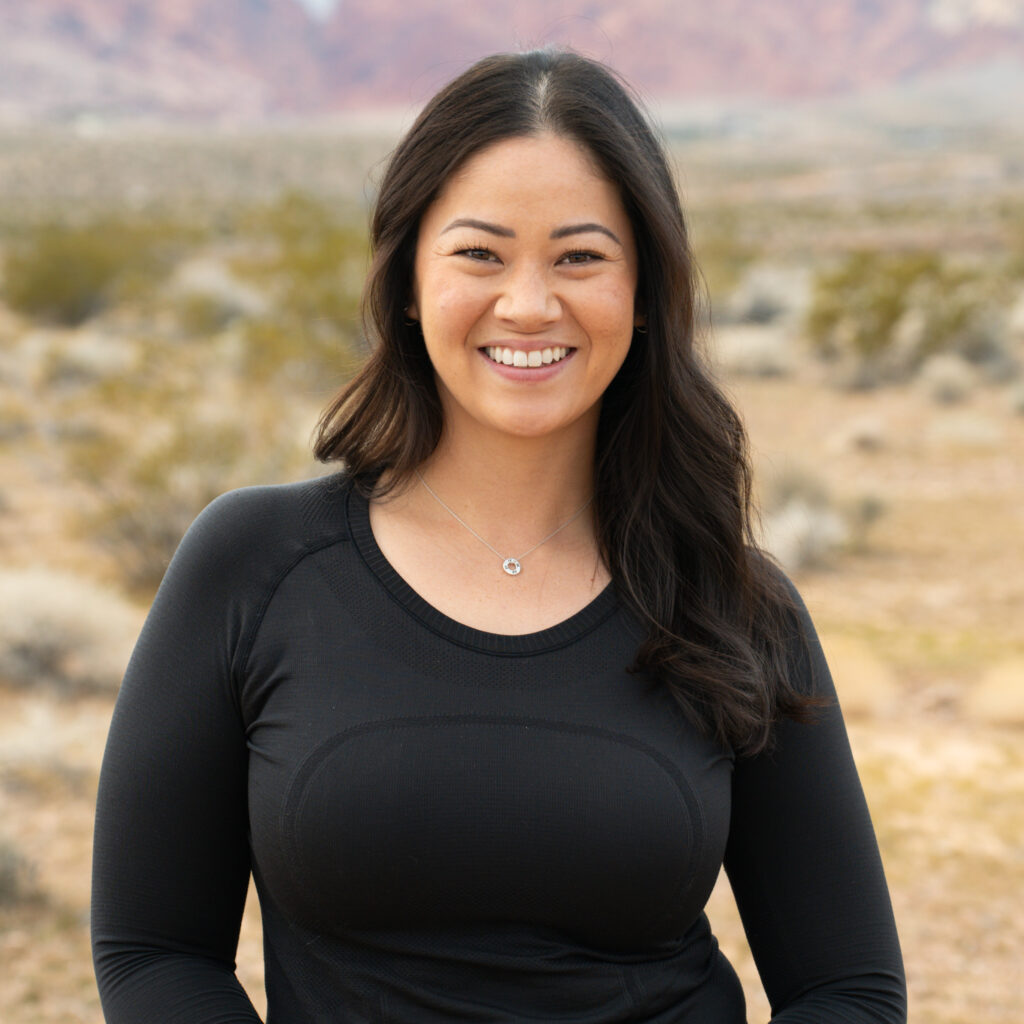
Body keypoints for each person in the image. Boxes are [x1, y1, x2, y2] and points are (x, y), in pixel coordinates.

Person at [91, 49, 906, 1023]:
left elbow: (847, 989)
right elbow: (155, 951)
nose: (527, 304)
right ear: (406, 280)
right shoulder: (254, 566)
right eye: (479, 253)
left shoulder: (732, 602)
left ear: (643, 292)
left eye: (580, 256)